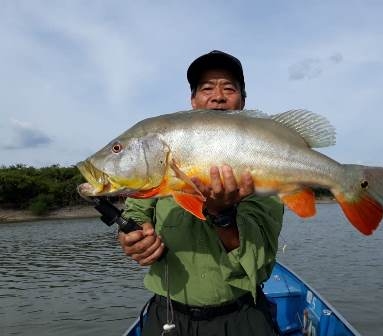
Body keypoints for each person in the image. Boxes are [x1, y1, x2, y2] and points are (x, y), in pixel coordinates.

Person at [119, 50, 284, 336]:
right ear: (193, 102)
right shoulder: (162, 161)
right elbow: (135, 211)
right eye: (206, 88)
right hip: (168, 315)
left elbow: (258, 264)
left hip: (241, 316)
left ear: (243, 102)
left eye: (229, 88)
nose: (217, 96)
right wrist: (132, 238)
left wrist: (223, 215)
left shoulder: (264, 168)